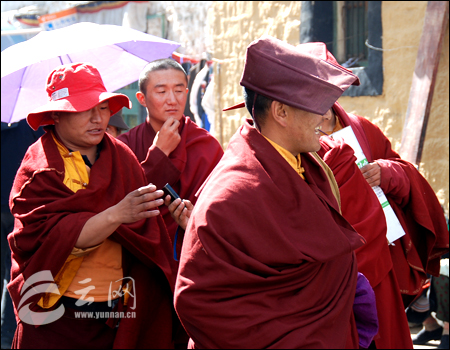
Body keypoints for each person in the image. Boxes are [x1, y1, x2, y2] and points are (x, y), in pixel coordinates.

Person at [174, 35, 377, 349]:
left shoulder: (309, 165)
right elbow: (199, 303)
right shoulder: (231, 195)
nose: (327, 116)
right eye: (318, 104)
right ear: (281, 112)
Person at [7, 62, 178, 349]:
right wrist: (117, 214)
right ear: (56, 116)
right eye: (84, 110)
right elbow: (53, 237)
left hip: (114, 311)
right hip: (57, 314)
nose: (97, 118)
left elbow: (142, 229)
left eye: (102, 108)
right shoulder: (40, 166)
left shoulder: (120, 156)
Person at [291, 41, 414, 348]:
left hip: (377, 250)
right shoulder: (292, 136)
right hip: (330, 262)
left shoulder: (360, 128)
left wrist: (385, 172)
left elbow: (404, 169)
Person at [117, 58, 224, 258]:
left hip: (196, 255)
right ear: (142, 98)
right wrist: (159, 152)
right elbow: (122, 205)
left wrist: (195, 218)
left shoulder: (205, 144)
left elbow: (224, 207)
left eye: (178, 90)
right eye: (161, 91)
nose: (172, 100)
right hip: (140, 257)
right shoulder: (125, 145)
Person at [1, 120, 44, 349]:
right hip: (20, 202)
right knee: (15, 270)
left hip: (16, 203)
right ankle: (8, 331)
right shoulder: (31, 118)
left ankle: (8, 332)